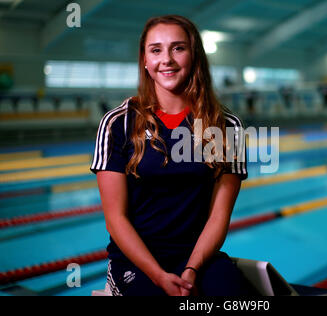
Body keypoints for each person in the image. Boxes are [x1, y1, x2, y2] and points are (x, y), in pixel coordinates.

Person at [90, 15, 253, 296]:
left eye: (178, 48)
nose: (167, 59)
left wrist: (191, 270)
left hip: (199, 259)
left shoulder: (227, 127)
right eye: (156, 50)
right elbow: (115, 218)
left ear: (194, 56)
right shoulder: (118, 123)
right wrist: (157, 275)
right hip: (136, 261)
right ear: (144, 60)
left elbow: (219, 216)